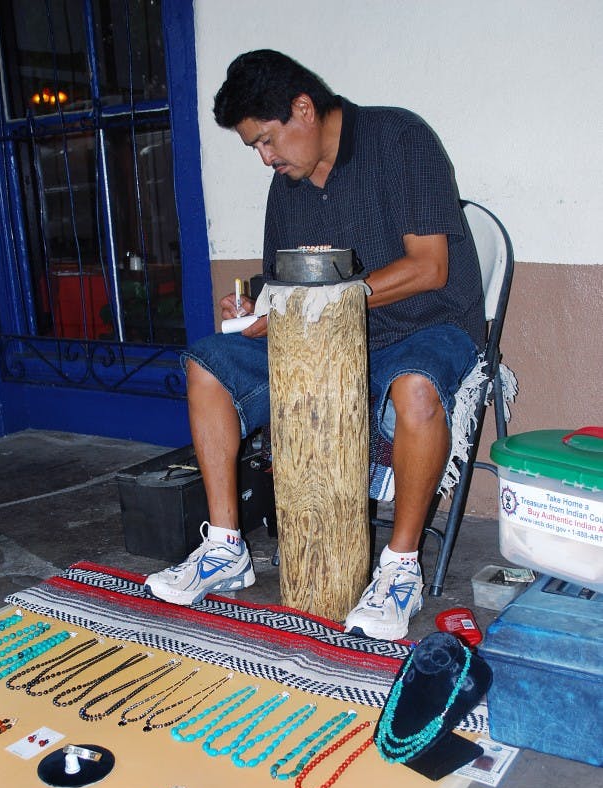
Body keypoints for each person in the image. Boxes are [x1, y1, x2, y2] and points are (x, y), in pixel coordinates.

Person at [145, 49, 485, 641]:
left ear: (304, 108)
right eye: (255, 147)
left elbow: (430, 267)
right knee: (208, 365)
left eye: (267, 140)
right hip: (321, 340)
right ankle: (226, 547)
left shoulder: (399, 139)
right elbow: (285, 284)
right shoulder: (290, 184)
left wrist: (335, 299)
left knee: (415, 388)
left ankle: (399, 568)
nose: (265, 157)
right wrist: (253, 306)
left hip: (426, 325)